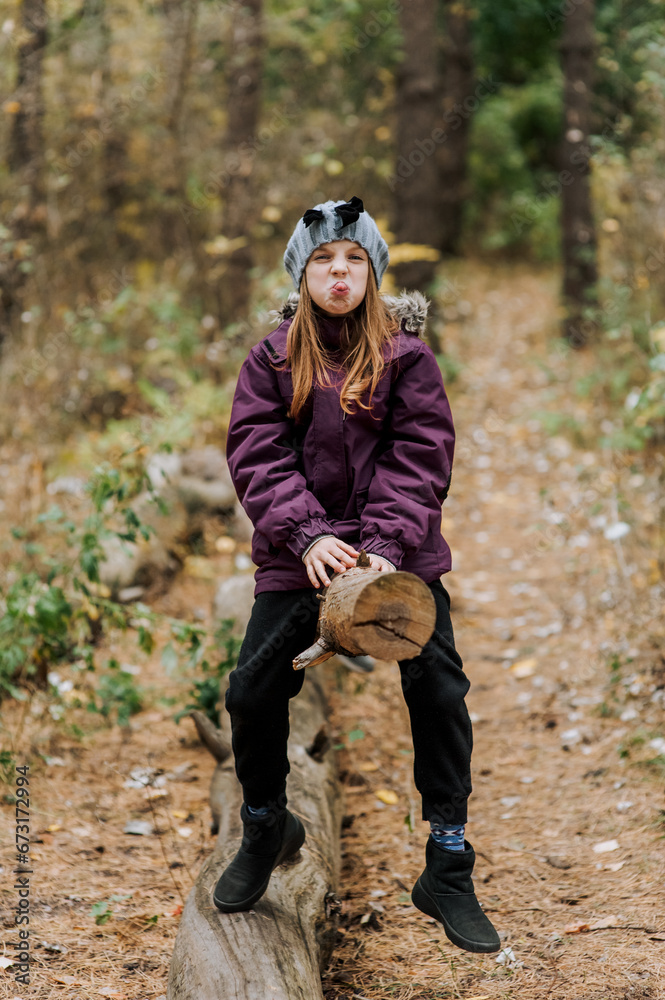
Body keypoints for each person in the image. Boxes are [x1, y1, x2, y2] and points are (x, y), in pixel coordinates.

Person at [213, 196, 500, 954]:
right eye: (322, 262)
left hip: (393, 557)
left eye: (352, 261)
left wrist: (383, 545)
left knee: (437, 683)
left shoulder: (406, 356)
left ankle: (446, 860)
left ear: (372, 273)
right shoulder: (271, 357)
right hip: (297, 554)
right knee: (250, 689)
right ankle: (268, 826)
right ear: (301, 276)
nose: (338, 274)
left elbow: (421, 454)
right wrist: (306, 534)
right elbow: (255, 452)